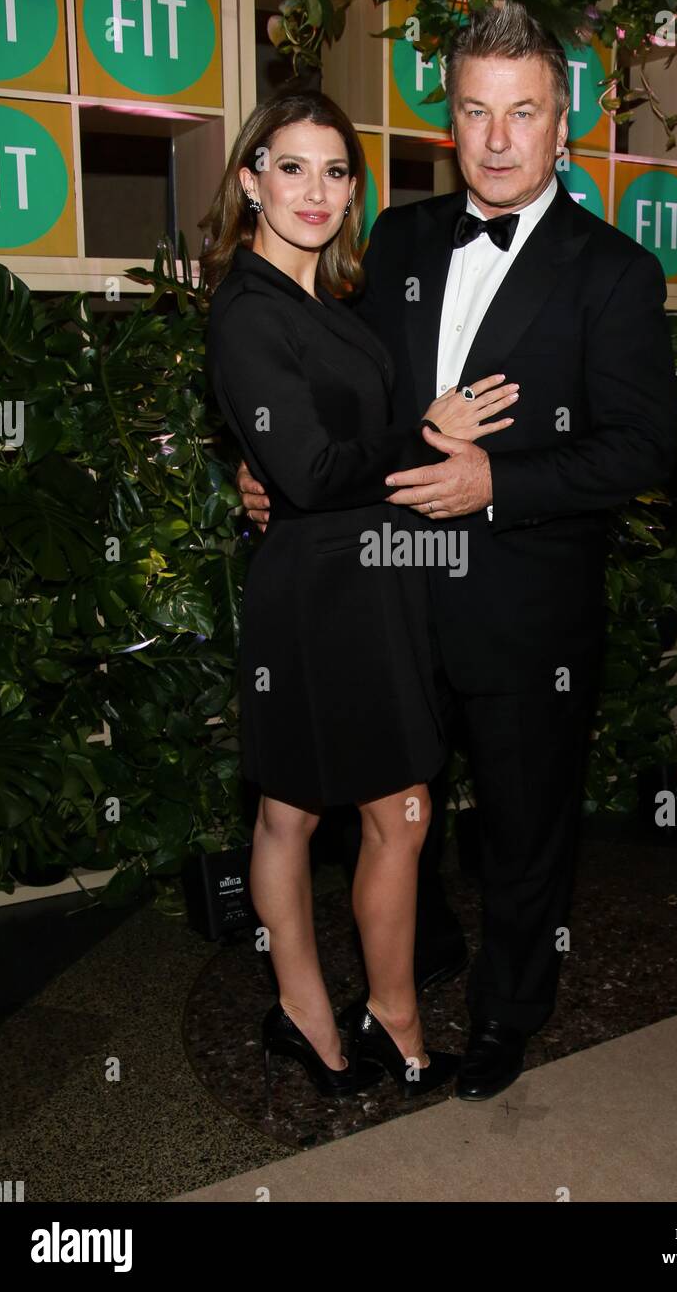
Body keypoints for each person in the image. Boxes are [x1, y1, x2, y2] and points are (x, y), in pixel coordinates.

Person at [236, 2, 677, 1102]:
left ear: (559, 125)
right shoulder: (398, 239)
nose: (493, 138)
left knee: (525, 827)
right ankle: (412, 967)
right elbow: (355, 410)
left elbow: (645, 447)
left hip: (525, 606)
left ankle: (505, 1015)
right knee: (393, 808)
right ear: (450, 121)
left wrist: (500, 484)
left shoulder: (611, 272)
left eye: (519, 113)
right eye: (474, 111)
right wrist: (272, 468)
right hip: (380, 590)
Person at [202, 90, 519, 1102]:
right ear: (250, 178)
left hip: (366, 579)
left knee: (298, 810)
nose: (316, 191)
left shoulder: (321, 306)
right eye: (289, 167)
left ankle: (344, 1013)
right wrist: (426, 429)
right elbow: (308, 468)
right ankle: (368, 1016)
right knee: (384, 812)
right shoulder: (248, 311)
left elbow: (305, 465)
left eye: (335, 171)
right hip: (317, 598)